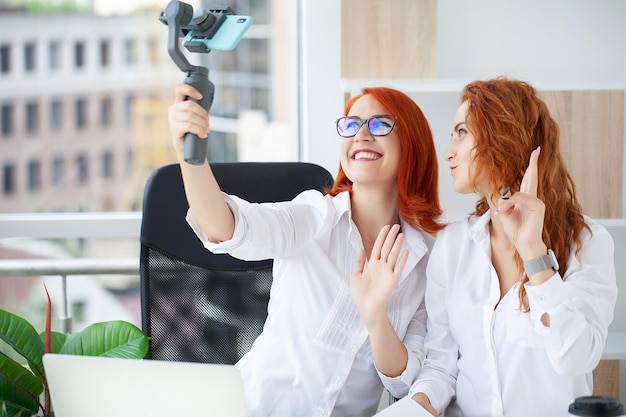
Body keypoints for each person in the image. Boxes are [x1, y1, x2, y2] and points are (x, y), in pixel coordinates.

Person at [168, 84, 445, 417]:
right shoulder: (314, 217)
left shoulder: (427, 261)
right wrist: (190, 157)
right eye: (351, 124)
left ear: (411, 144)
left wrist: (376, 316)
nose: (360, 135)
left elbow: (402, 384)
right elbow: (227, 227)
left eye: (379, 124)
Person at [409, 77, 617, 417]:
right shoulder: (452, 247)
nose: (448, 151)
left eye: (462, 132)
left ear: (503, 136)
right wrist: (415, 406)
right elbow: (441, 365)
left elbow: (577, 357)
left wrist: (533, 252)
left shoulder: (587, 244)